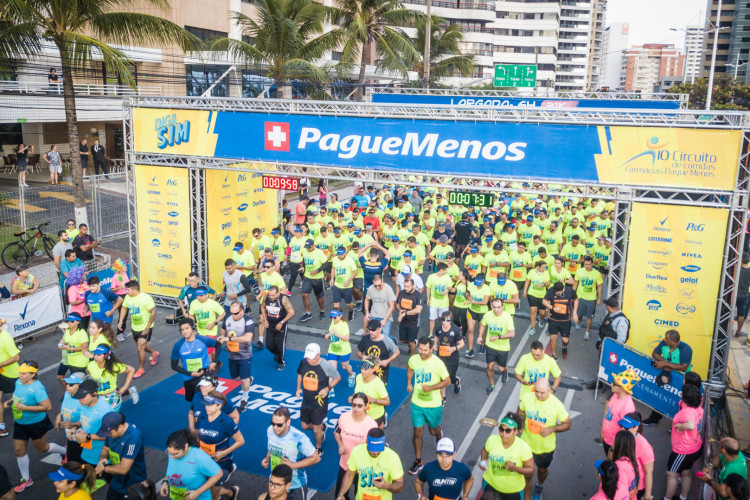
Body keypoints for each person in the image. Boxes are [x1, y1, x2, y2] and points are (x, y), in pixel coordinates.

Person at [4, 361, 67, 492]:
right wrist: (10, 402)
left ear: (33, 374)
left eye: (23, 373)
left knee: (42, 448)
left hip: (36, 424)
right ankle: (27, 479)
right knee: (19, 451)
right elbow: (18, 396)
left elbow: (47, 407)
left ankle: (64, 452)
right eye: (20, 372)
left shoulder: (38, 389)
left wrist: (26, 408)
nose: (20, 375)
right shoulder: (18, 382)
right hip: (20, 423)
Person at [518, 378, 572, 500]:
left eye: (542, 392)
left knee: (542, 470)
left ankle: (539, 485)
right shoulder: (527, 397)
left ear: (549, 390)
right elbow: (521, 410)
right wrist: (520, 423)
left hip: (545, 448)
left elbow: (568, 424)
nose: (538, 395)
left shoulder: (556, 404)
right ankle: (526, 495)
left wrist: (552, 429)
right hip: (526, 444)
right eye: (536, 391)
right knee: (527, 473)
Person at [406, 336, 451, 475]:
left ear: (432, 349)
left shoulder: (438, 363)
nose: (422, 352)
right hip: (417, 404)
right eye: (420, 349)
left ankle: (439, 434)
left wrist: (431, 388)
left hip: (433, 405)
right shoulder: (414, 359)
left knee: (432, 431)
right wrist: (409, 382)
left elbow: (447, 381)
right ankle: (418, 461)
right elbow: (410, 368)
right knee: (417, 432)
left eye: (425, 350)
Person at [263, 407, 320, 500]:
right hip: (275, 482)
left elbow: (316, 458)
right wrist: (267, 458)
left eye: (279, 425)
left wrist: (293, 465)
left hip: (295, 485)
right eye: (273, 423)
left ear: (288, 422)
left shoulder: (299, 438)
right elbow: (271, 446)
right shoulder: (270, 431)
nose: (275, 427)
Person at [195, 391, 243, 500]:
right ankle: (231, 493)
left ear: (219, 405)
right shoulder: (202, 416)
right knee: (203, 486)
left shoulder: (227, 422)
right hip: (204, 458)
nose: (207, 407)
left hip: (220, 461)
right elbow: (197, 433)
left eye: (210, 405)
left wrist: (223, 453)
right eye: (206, 404)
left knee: (213, 495)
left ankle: (230, 492)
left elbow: (240, 441)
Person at [296, 343, 341, 454]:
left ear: (318, 355)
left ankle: (318, 447)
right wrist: (298, 388)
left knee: (316, 430)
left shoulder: (326, 365)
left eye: (311, 358)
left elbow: (337, 377)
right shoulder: (304, 361)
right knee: (304, 426)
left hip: (319, 402)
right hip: (306, 400)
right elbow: (300, 374)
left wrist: (327, 389)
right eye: (307, 357)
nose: (309, 360)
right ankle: (321, 428)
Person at [336, 428, 404, 500]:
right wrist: (341, 494)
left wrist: (386, 486)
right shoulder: (357, 451)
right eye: (372, 449)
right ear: (366, 442)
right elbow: (350, 474)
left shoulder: (393, 457)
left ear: (384, 444)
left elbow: (400, 485)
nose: (375, 452)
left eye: (378, 449)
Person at [478, 412, 535, 500]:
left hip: (512, 491)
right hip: (490, 485)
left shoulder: (523, 448)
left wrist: (514, 468)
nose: (503, 433)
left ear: (516, 431)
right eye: (501, 429)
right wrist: (483, 460)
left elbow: (531, 470)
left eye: (508, 430)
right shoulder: (492, 439)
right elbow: (485, 450)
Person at [643, 329, 692, 426]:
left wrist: (665, 363)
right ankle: (654, 419)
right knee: (660, 395)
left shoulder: (686, 349)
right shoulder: (664, 343)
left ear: (673, 342)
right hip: (666, 373)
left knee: (679, 401)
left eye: (667, 338)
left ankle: (678, 424)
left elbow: (683, 367)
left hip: (681, 379)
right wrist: (665, 364)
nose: (664, 339)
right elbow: (655, 354)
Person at [334, 393, 378, 500]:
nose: (356, 408)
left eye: (359, 406)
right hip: (345, 464)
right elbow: (336, 432)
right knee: (340, 496)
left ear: (366, 405)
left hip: (362, 469)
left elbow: (375, 450)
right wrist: (340, 445)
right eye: (353, 405)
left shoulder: (371, 425)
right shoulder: (344, 417)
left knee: (360, 496)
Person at [95, 412, 147, 500]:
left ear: (120, 427)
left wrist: (103, 468)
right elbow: (105, 449)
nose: (107, 435)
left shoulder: (133, 438)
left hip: (133, 485)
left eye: (109, 433)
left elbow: (123, 469)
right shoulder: (110, 432)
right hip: (117, 482)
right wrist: (101, 460)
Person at [665, 385, 704, 500]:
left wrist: (679, 426)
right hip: (695, 447)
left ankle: (667, 498)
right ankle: (683, 497)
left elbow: (691, 425)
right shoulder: (698, 406)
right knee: (686, 472)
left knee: (671, 475)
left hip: (683, 451)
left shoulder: (688, 412)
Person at [160, 429, 223, 500]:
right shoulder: (172, 454)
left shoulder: (199, 457)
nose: (172, 457)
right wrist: (165, 481)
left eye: (175, 454)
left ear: (186, 446)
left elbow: (218, 474)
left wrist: (197, 492)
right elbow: (174, 470)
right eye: (169, 453)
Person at [170, 318, 221, 402]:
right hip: (189, 378)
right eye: (182, 330)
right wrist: (191, 373)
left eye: (187, 328)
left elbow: (218, 345)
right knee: (194, 404)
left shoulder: (203, 339)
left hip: (205, 374)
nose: (184, 331)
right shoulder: (178, 345)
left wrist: (214, 362)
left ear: (192, 328)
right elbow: (174, 366)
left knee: (209, 401)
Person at [217, 301, 255, 412]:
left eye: (236, 313)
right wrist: (222, 336)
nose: (233, 315)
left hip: (244, 354)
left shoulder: (248, 320)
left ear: (242, 311)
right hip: (232, 353)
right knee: (235, 378)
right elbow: (224, 328)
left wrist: (228, 339)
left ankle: (244, 399)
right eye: (231, 313)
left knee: (243, 379)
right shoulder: (228, 317)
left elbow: (248, 337)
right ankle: (248, 379)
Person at [118, 281, 158, 379]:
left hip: (145, 327)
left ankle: (141, 369)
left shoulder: (146, 298)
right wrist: (120, 321)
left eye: (128, 290)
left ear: (134, 290)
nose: (126, 291)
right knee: (141, 346)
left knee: (140, 347)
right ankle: (154, 353)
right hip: (135, 327)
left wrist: (147, 327)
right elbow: (124, 308)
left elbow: (153, 313)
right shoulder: (128, 297)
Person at [479, 298, 516, 395]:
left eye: (498, 307)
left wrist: (498, 337)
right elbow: (483, 325)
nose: (496, 309)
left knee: (501, 368)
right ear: (491, 306)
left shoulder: (507, 317)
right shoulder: (487, 314)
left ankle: (505, 371)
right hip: (490, 345)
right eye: (494, 307)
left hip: (503, 348)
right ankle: (491, 384)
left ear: (502, 307)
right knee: (490, 366)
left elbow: (512, 334)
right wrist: (480, 336)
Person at [86, 345, 136, 411]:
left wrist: (125, 387)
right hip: (97, 398)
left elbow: (131, 370)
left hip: (112, 398)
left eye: (98, 355)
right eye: (95, 354)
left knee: (112, 418)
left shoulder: (114, 366)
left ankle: (131, 391)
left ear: (107, 356)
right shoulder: (91, 365)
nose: (95, 357)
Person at [601, 369, 639, 456]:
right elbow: (608, 412)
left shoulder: (627, 407)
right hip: (606, 439)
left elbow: (625, 432)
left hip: (614, 446)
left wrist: (612, 448)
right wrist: (602, 432)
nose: (611, 384)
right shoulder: (615, 395)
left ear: (622, 388)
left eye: (614, 383)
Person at [617, 413, 654, 500]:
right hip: (623, 481)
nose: (622, 429)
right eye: (621, 425)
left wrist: (647, 495)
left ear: (636, 427)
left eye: (626, 428)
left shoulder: (644, 447)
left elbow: (649, 472)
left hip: (636, 487)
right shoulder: (622, 437)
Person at [432, 311, 464, 403]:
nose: (445, 322)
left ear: (451, 321)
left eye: (447, 320)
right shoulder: (438, 329)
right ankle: (443, 398)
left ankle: (456, 381)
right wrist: (434, 344)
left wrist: (454, 348)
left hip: (452, 359)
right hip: (441, 357)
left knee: (450, 379)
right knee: (442, 378)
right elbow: (436, 337)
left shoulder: (455, 331)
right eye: (443, 320)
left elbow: (462, 343)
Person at [261, 286, 294, 370]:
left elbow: (291, 312)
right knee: (269, 345)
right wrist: (265, 320)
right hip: (270, 324)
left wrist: (282, 322)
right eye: (270, 295)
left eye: (273, 295)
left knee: (280, 345)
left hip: (281, 324)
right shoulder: (266, 297)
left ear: (278, 293)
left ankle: (281, 361)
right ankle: (278, 353)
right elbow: (262, 307)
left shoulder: (283, 299)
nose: (271, 297)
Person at [352, 357, 390, 427]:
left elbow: (387, 402)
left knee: (375, 437)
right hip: (361, 416)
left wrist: (373, 400)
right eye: (361, 368)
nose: (362, 371)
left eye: (366, 369)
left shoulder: (378, 383)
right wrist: (353, 398)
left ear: (372, 370)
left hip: (375, 417)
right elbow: (356, 393)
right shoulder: (358, 377)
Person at [57, 313, 90, 390]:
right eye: (68, 321)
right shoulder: (68, 330)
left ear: (78, 322)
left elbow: (85, 347)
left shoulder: (81, 332)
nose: (69, 323)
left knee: (75, 383)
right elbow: (64, 339)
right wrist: (61, 343)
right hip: (71, 361)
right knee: (78, 383)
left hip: (80, 362)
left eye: (72, 321)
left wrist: (70, 349)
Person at [55, 374, 84, 464]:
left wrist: (74, 425)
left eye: (71, 385)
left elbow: (90, 418)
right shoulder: (67, 393)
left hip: (81, 434)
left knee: (76, 461)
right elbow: (67, 406)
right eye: (67, 384)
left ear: (80, 385)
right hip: (70, 432)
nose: (67, 386)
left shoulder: (84, 399)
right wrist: (59, 415)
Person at [573, 256, 603, 341]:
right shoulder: (579, 271)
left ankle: (587, 332)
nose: (587, 266)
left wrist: (599, 298)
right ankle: (579, 321)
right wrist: (572, 294)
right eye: (585, 264)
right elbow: (575, 282)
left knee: (589, 316)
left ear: (592, 264)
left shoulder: (597, 274)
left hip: (591, 299)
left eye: (589, 264)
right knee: (579, 315)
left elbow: (600, 286)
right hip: (580, 297)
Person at [0, 321, 21, 438]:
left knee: (16, 398)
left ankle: (19, 420)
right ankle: (1, 427)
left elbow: (16, 357)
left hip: (11, 373)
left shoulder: (5, 338)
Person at [325, 310, 355, 389]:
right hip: (333, 349)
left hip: (344, 350)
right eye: (331, 317)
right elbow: (332, 333)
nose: (333, 319)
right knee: (331, 369)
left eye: (335, 317)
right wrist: (329, 335)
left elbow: (347, 338)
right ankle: (330, 389)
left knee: (345, 367)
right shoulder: (333, 322)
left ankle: (351, 375)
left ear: (340, 316)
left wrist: (336, 334)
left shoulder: (344, 325)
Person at [363, 274, 396, 343]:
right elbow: (367, 299)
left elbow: (392, 306)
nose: (377, 287)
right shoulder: (371, 288)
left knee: (386, 337)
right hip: (374, 315)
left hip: (385, 317)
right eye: (375, 286)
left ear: (382, 281)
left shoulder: (388, 289)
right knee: (372, 335)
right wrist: (367, 311)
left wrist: (385, 319)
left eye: (379, 285)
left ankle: (393, 340)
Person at [465, 273, 491, 359]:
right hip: (471, 310)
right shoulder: (471, 285)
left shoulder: (487, 288)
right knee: (470, 330)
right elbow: (467, 293)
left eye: (479, 283)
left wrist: (473, 302)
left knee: (482, 330)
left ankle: (483, 345)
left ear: (483, 282)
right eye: (476, 282)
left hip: (482, 312)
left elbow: (485, 302)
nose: (477, 285)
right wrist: (469, 298)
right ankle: (470, 350)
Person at [396, 278, 423, 356]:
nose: (406, 288)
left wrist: (405, 314)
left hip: (413, 322)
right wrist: (400, 309)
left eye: (408, 287)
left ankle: (412, 358)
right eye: (405, 286)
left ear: (413, 286)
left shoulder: (418, 295)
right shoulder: (401, 293)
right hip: (403, 321)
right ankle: (414, 342)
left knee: (411, 342)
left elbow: (418, 310)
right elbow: (397, 304)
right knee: (403, 340)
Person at [524, 261, 550, 337]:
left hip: (542, 296)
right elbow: (527, 282)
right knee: (533, 311)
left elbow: (548, 283)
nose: (544, 269)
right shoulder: (531, 272)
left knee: (542, 313)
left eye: (545, 267)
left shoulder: (546, 273)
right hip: (532, 294)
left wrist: (544, 284)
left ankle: (541, 319)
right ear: (538, 267)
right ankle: (533, 328)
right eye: (543, 267)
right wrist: (525, 291)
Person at [331, 247, 358, 321]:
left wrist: (348, 281)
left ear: (345, 253)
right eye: (339, 254)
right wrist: (332, 279)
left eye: (341, 254)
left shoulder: (350, 260)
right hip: (337, 285)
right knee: (336, 305)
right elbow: (333, 268)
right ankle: (337, 319)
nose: (340, 256)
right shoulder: (335, 259)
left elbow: (355, 271)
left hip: (347, 287)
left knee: (348, 304)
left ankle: (351, 311)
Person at [611, 430, 639, 500]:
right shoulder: (634, 462)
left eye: (614, 442)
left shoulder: (619, 467)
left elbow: (620, 494)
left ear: (619, 446)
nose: (612, 444)